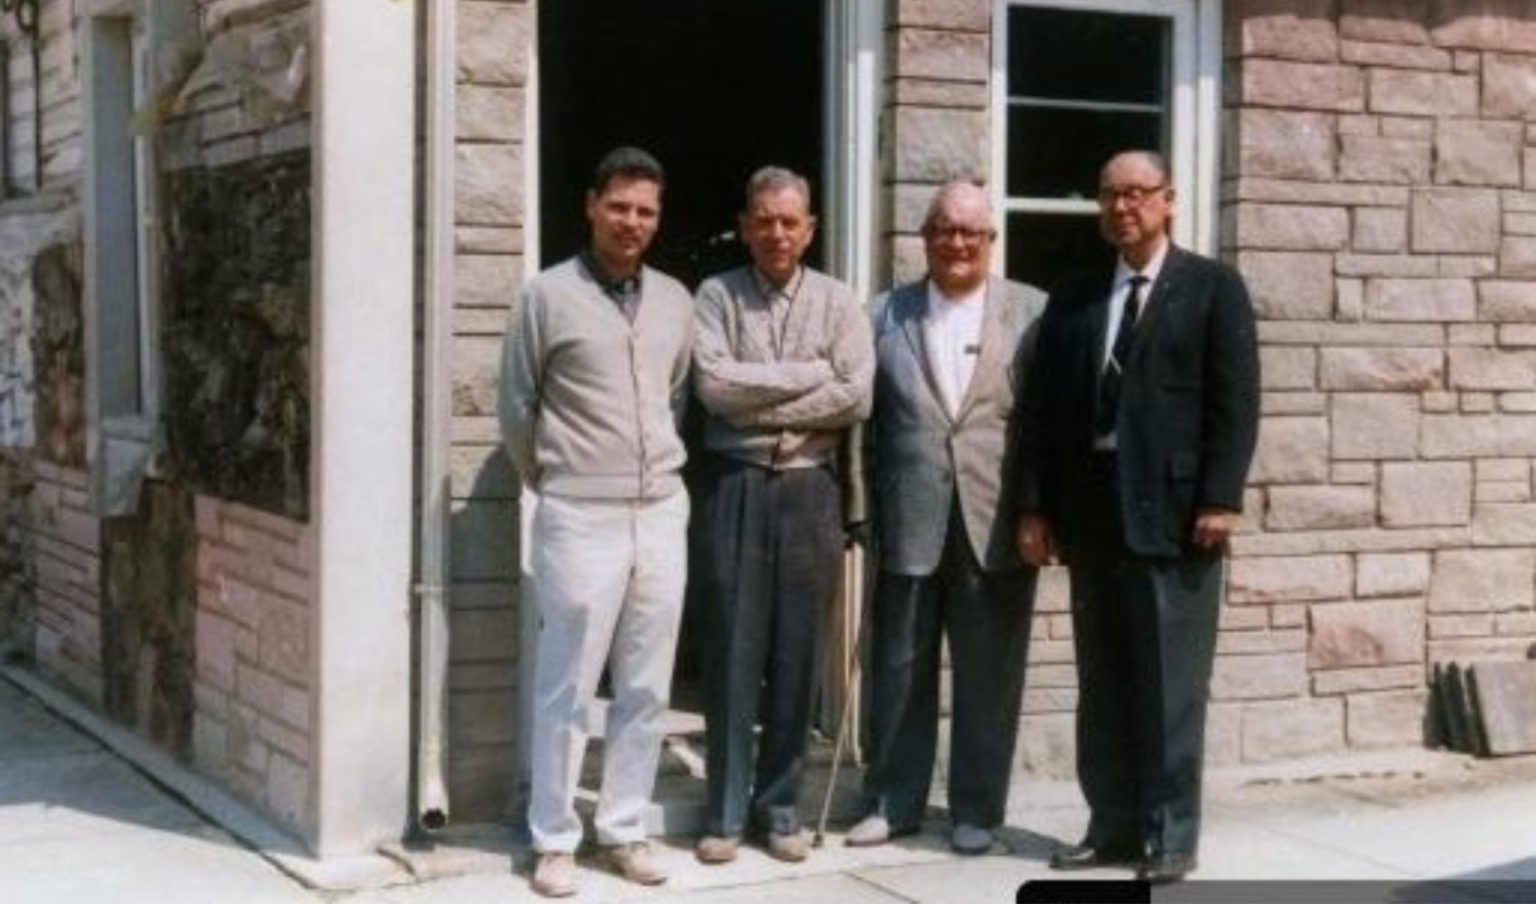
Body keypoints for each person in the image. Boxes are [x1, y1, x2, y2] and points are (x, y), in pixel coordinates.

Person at [1015, 150, 1259, 884]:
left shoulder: (1212, 287)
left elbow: (1236, 401)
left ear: (1168, 200)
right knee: (1104, 682)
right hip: (1092, 517)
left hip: (1177, 518)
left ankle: (1170, 834)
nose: (1122, 207)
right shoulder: (1077, 295)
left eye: (1137, 193)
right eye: (1109, 195)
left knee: (1170, 686)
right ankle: (1111, 827)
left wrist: (1220, 497)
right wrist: (1035, 506)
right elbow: (1043, 410)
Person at [499, 146, 694, 898]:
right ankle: (553, 839)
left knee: (646, 683)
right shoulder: (545, 296)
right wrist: (557, 478)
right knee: (569, 685)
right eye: (619, 206)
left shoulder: (675, 299)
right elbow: (517, 409)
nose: (631, 222)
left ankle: (623, 829)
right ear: (590, 206)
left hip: (660, 509)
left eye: (646, 211)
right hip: (580, 511)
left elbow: (675, 395)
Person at [844, 181, 1045, 855]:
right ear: (925, 238)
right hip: (908, 515)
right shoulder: (883, 313)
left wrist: (1037, 511)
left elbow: (1045, 424)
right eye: (944, 230)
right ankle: (891, 802)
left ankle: (976, 811)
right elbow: (859, 423)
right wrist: (859, 508)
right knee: (899, 665)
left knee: (990, 672)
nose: (957, 243)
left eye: (970, 232)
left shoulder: (1031, 312)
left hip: (996, 519)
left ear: (990, 240)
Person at [691, 166, 874, 864]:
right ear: (745, 226)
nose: (776, 233)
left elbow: (856, 395)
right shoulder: (717, 295)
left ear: (810, 229)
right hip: (734, 485)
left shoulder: (838, 301)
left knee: (797, 654)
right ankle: (723, 813)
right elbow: (714, 388)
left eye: (789, 221)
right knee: (732, 649)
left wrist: (759, 401)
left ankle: (781, 809)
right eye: (763, 220)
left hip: (808, 490)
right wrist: (809, 376)